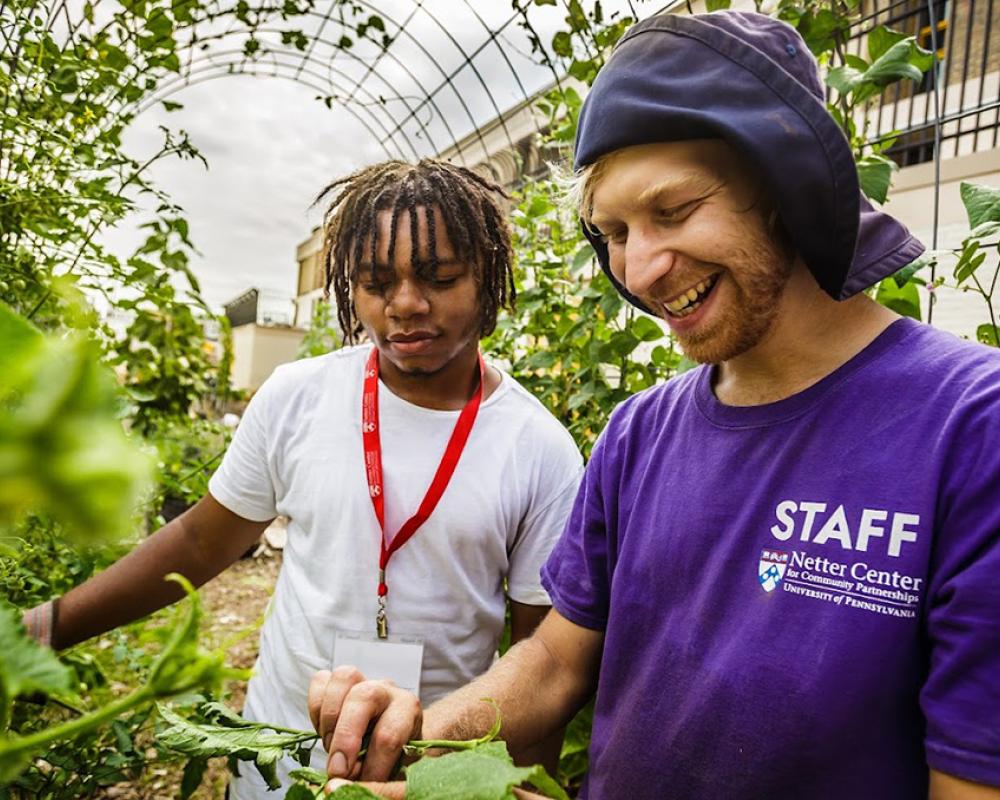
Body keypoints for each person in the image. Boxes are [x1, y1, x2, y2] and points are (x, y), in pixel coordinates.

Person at [306, 12, 1000, 800]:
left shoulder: (972, 427)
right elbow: (557, 659)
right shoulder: (643, 431)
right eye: (613, 231)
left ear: (787, 185)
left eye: (671, 211)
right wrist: (422, 736)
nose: (638, 269)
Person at [22, 159, 583, 798]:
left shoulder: (539, 449)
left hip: (432, 776)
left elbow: (539, 658)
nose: (404, 304)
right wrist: (46, 627)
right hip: (278, 753)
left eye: (440, 277)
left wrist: (528, 786)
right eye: (375, 282)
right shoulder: (298, 397)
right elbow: (201, 542)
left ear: (487, 278)